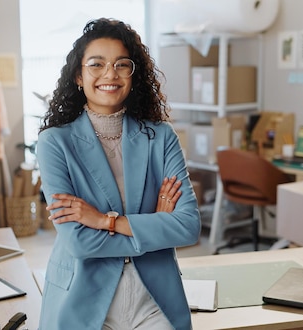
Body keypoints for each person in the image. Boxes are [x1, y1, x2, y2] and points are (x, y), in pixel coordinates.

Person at [36, 18, 201, 330]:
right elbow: (79, 243)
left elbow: (189, 226)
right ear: (78, 77)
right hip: (83, 296)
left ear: (133, 75)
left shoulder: (161, 137)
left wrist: (104, 221)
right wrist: (155, 227)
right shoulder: (55, 142)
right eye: (97, 64)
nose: (110, 74)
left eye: (122, 65)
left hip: (153, 297)